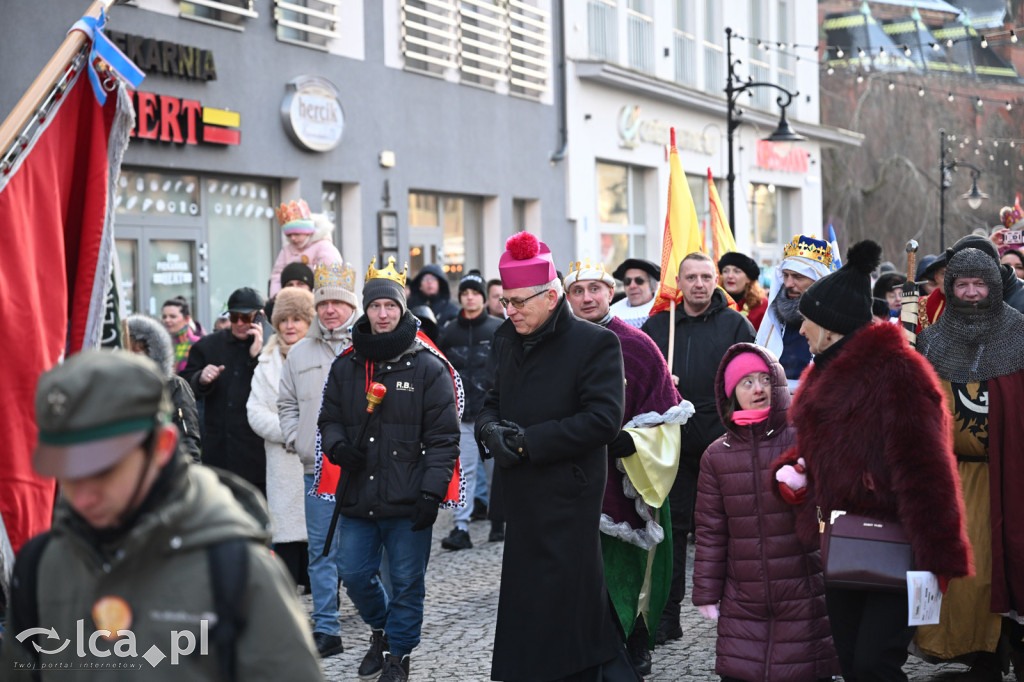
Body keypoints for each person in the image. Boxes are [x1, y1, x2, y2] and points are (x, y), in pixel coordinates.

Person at [1, 350, 323, 680]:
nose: (82, 496)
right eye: (67, 472)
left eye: (103, 471)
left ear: (162, 447)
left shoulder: (236, 570)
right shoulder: (41, 565)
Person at [775, 240, 972, 682]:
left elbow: (928, 472)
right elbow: (820, 447)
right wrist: (796, 468)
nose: (801, 329)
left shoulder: (899, 372)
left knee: (875, 664)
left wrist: (938, 554)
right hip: (841, 540)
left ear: (830, 326)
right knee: (849, 661)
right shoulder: (823, 369)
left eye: (807, 319)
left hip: (898, 542)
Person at [476, 232, 635, 681]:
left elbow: (603, 420)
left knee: (570, 600)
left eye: (518, 302)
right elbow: (490, 401)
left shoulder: (594, 343)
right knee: (526, 600)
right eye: (505, 301)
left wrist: (528, 442)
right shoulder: (507, 338)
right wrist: (489, 431)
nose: (510, 311)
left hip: (568, 495)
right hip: (520, 492)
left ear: (550, 297)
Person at [318, 256, 460, 682]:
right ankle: (381, 630)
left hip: (409, 497)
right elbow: (329, 418)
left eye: (391, 306)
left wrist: (431, 493)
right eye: (376, 306)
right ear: (366, 310)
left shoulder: (428, 368)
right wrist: (338, 447)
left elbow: (443, 438)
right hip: (358, 495)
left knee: (407, 581)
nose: (383, 314)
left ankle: (398, 655)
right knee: (354, 574)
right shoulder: (346, 365)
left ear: (402, 309)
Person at [563, 258, 687, 677]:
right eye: (578, 291)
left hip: (625, 476)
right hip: (572, 477)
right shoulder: (556, 347)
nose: (587, 298)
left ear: (610, 292)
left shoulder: (639, 345)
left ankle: (634, 638)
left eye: (595, 289)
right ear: (566, 298)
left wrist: (632, 440)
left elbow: (666, 418)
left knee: (629, 564)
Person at [692, 343, 838, 682]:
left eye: (765, 379)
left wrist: (807, 490)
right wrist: (706, 592)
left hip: (803, 589)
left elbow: (833, 507)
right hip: (743, 598)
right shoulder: (716, 455)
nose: (758, 389)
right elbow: (711, 531)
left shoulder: (805, 437)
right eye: (746, 382)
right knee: (742, 671)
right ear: (731, 394)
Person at [915, 248, 1024, 681]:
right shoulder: (931, 341)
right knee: (962, 574)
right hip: (953, 477)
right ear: (950, 288)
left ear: (994, 287)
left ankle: (1008, 651)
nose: (973, 293)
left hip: (1008, 473)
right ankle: (979, 655)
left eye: (980, 284)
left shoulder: (1018, 334)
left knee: (1006, 565)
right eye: (963, 285)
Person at [640, 251, 755, 644]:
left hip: (723, 439)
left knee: (735, 529)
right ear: (679, 282)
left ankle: (742, 617)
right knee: (672, 532)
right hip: (673, 443)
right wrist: (660, 380)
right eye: (691, 277)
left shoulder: (735, 324)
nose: (699, 284)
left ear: (716, 280)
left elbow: (753, 379)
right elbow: (638, 376)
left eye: (706, 276)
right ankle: (666, 617)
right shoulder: (660, 326)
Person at [277, 262, 361, 658]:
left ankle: (383, 622)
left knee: (364, 551)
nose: (329, 310)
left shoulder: (367, 345)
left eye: (337, 303)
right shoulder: (300, 353)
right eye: (323, 303)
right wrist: (298, 440)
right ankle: (327, 627)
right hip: (318, 470)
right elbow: (286, 403)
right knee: (322, 551)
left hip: (364, 467)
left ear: (352, 306)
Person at [246, 288, 315, 597]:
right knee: (286, 541)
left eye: (297, 319)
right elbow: (255, 412)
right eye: (284, 319)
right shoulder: (266, 363)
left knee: (319, 539)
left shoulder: (322, 357)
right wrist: (291, 432)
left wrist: (307, 433)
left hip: (317, 461)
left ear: (309, 322)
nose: (289, 326)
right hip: (282, 465)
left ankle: (326, 611)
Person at [181, 287, 268, 494]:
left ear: (259, 317)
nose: (239, 323)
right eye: (234, 317)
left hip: (258, 456)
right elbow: (184, 386)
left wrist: (257, 357)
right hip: (220, 452)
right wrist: (200, 378)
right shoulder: (208, 345)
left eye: (245, 318)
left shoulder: (272, 347)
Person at [438, 270, 502, 551]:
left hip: (493, 413)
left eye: (475, 293)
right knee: (463, 472)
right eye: (465, 293)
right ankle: (461, 527)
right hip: (461, 414)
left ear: (483, 297)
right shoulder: (449, 331)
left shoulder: (498, 328)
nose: (470, 298)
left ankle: (498, 522)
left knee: (496, 471)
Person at [755, 236, 834, 391]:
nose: (789, 284)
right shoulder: (776, 319)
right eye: (785, 275)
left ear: (819, 280)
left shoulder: (834, 324)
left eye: (798, 276)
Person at [124, 313, 202, 461]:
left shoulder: (174, 385)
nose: (133, 358)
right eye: (129, 352)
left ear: (154, 353)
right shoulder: (116, 387)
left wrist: (188, 469)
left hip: (165, 466)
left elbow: (187, 439)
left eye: (138, 352)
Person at [268, 200, 343, 298]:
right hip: (289, 298)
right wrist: (277, 296)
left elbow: (329, 275)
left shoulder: (324, 247)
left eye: (296, 234)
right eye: (289, 235)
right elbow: (277, 274)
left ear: (307, 232)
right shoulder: (286, 250)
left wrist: (315, 298)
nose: (293, 238)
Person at [718, 252, 769, 330]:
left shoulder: (762, 305)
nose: (730, 276)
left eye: (736, 271)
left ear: (748, 278)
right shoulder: (714, 302)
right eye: (725, 271)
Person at [610, 257, 661, 329]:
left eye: (639, 281)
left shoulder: (665, 312)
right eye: (627, 281)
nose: (632, 286)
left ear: (655, 286)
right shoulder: (612, 314)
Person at [161, 296, 202, 373]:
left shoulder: (198, 344)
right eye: (164, 317)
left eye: (172, 316)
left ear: (186, 319)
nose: (167, 320)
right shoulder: (158, 345)